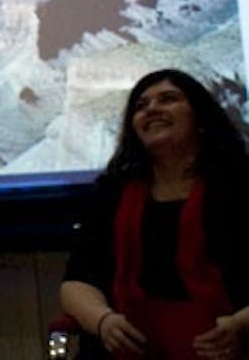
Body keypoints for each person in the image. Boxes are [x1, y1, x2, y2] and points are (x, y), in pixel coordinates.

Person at [60, 69, 249, 359]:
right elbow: (77, 283)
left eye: (168, 99)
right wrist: (103, 321)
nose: (152, 109)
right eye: (141, 106)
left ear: (201, 118)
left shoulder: (239, 184)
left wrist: (241, 325)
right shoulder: (112, 193)